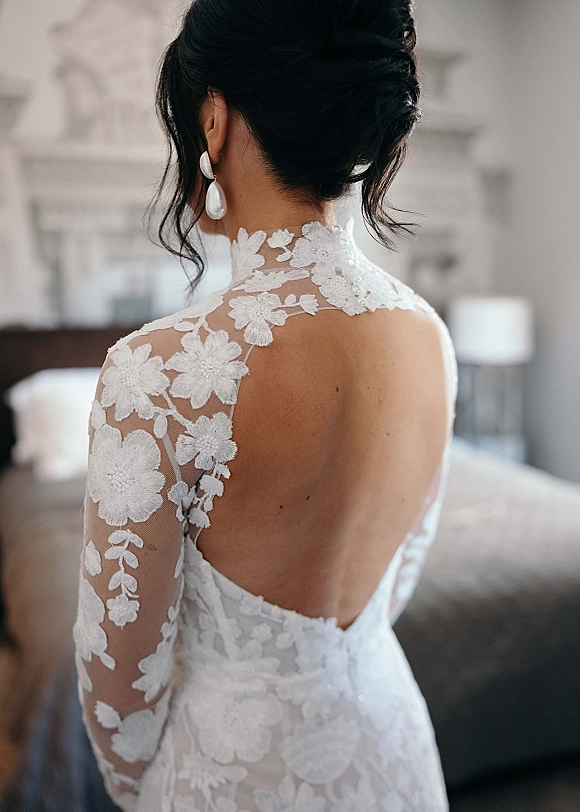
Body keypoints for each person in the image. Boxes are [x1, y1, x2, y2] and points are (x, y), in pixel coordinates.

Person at [73, 1, 458, 809]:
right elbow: (399, 581)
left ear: (213, 120)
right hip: (391, 752)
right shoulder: (430, 336)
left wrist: (144, 790)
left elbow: (118, 683)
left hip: (233, 778)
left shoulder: (156, 376)